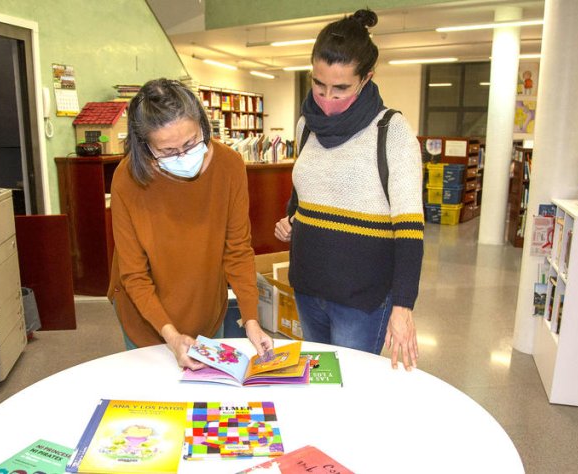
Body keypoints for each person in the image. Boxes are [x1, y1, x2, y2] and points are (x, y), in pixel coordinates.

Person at [273, 9, 424, 371]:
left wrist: (402, 307)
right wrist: (291, 219)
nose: (327, 97)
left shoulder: (392, 131)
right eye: (318, 84)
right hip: (308, 287)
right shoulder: (306, 126)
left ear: (366, 78)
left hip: (362, 300)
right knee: (318, 380)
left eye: (341, 88)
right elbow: (304, 194)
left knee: (353, 388)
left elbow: (409, 230)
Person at [107, 78, 273, 369]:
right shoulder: (127, 178)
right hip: (146, 316)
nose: (183, 157)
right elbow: (133, 274)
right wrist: (170, 336)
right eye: (168, 151)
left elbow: (238, 250)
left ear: (203, 125)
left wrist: (251, 320)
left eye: (190, 142)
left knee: (207, 394)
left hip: (206, 306)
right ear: (145, 146)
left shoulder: (229, 166)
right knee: (156, 399)